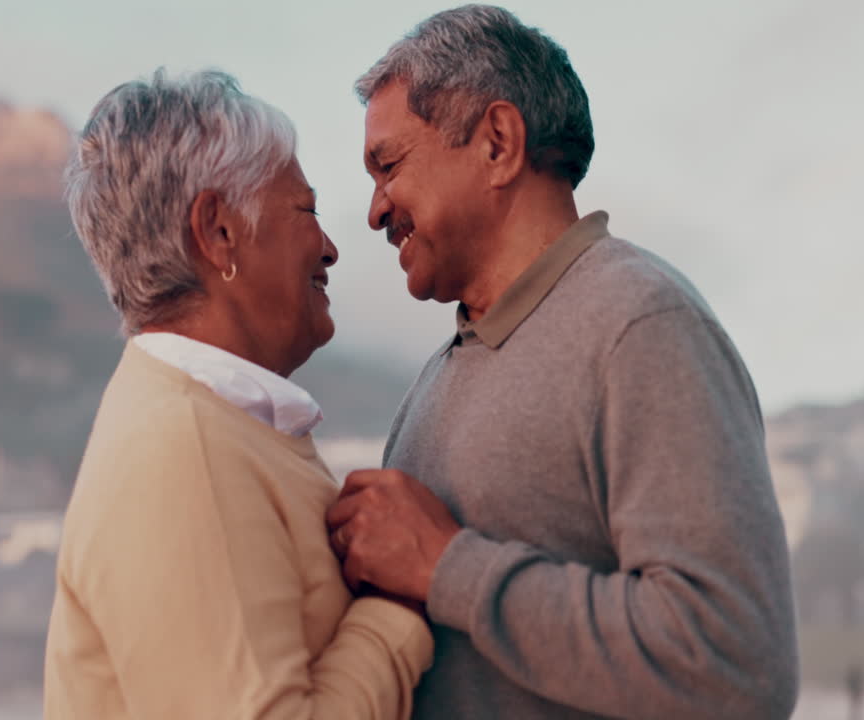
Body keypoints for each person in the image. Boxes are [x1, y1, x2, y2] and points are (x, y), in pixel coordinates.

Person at [325, 5, 800, 719]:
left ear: (497, 143)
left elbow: (735, 661)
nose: (372, 209)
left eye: (387, 165)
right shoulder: (435, 380)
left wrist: (448, 566)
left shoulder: (641, 327)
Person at [43, 69, 432, 720]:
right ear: (218, 232)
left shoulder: (215, 424)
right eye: (305, 211)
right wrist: (400, 605)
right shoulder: (180, 451)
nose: (331, 247)